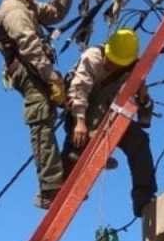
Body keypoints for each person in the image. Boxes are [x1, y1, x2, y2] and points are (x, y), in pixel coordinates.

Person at [0, 0, 76, 209]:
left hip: (38, 69)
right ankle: (50, 189)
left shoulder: (27, 5)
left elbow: (56, 13)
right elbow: (29, 47)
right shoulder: (13, 11)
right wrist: (52, 78)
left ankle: (76, 153)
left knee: (77, 98)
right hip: (27, 72)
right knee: (42, 119)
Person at [63, 29, 157, 217]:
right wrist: (80, 122)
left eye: (118, 64)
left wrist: (143, 96)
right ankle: (69, 170)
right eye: (112, 61)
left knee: (139, 141)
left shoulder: (133, 69)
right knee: (78, 140)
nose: (113, 66)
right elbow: (78, 90)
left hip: (110, 114)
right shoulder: (93, 57)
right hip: (82, 110)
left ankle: (144, 199)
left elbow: (145, 116)